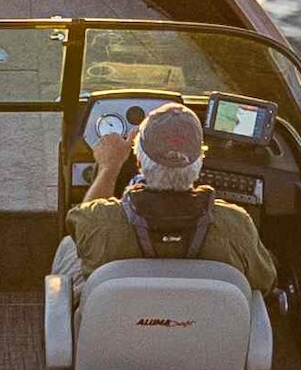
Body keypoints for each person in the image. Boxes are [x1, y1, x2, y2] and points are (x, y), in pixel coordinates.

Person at [66, 100, 284, 304]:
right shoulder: (237, 226)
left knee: (68, 245)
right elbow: (264, 282)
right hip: (209, 339)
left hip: (118, 335)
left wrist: (109, 167)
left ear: (138, 158)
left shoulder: (98, 223)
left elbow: (82, 227)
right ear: (199, 162)